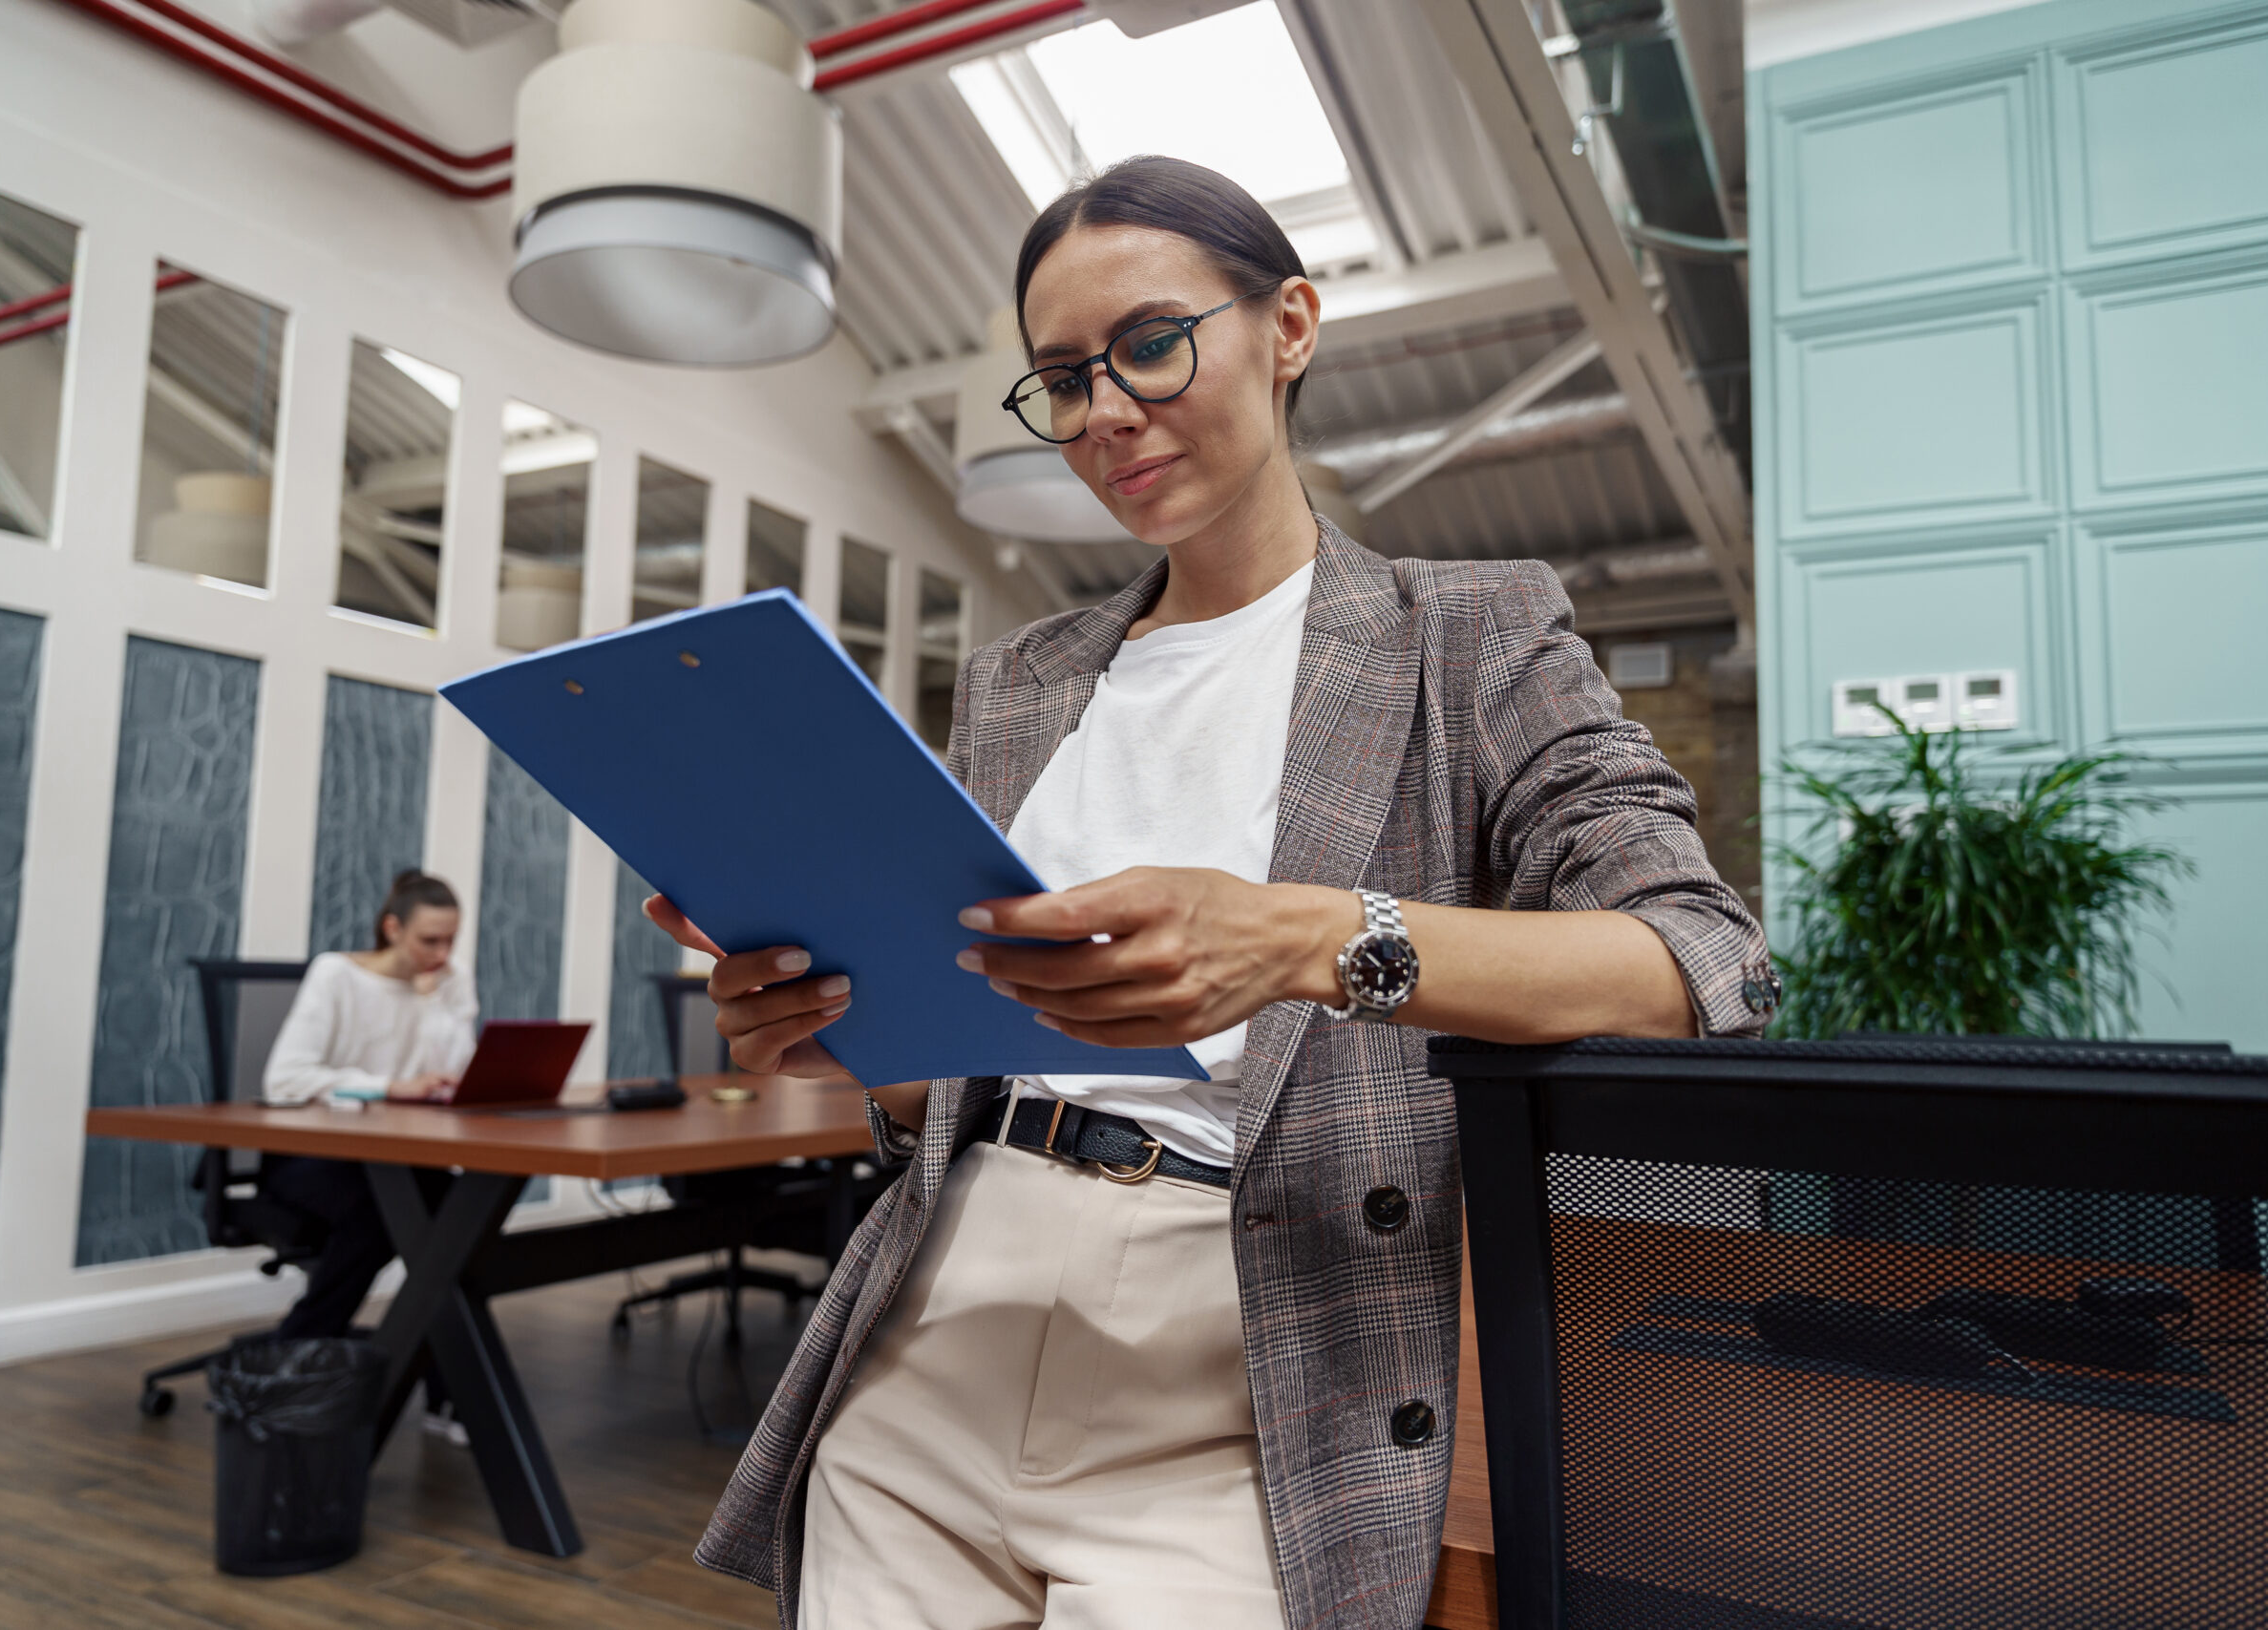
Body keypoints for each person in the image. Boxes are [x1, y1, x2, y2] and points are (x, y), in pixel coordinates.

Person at [682, 157, 1777, 1630]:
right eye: (1062, 379)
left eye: (1147, 344)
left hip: (1257, 1342)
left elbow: (1703, 962)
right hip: (946, 1315)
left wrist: (1318, 937)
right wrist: (859, 1034)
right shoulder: (1022, 679)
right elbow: (955, 1068)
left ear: (1291, 326)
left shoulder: (1471, 638)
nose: (1105, 411)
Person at [260, 868, 477, 1443]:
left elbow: (456, 1073)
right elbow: (286, 1079)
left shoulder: (443, 984)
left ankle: (446, 1397)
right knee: (381, 1216)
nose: (442, 953)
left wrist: (441, 1003)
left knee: (462, 1219)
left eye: (451, 941)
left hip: (394, 1157)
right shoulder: (337, 975)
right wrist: (385, 1086)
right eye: (430, 940)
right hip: (309, 1156)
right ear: (392, 928)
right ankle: (291, 1364)